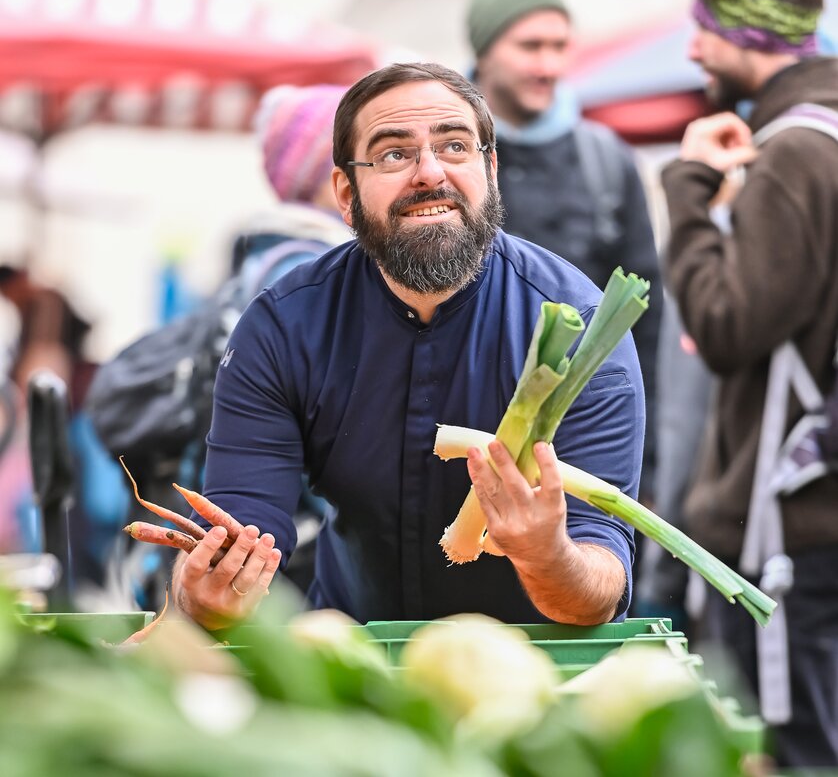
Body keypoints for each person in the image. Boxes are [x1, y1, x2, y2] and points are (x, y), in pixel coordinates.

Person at [171, 61, 645, 634]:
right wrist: (206, 590)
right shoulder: (282, 327)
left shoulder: (582, 332)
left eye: (454, 146)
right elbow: (240, 526)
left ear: (490, 170)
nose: (429, 173)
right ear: (346, 193)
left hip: (536, 668)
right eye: (395, 153)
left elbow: (598, 588)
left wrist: (548, 557)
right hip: (353, 665)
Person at [661, 0, 838, 767]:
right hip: (814, 512)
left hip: (786, 535)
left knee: (794, 754)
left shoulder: (798, 153)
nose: (692, 47)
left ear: (750, 31)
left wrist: (690, 190)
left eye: (702, 25)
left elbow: (728, 326)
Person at [464, 0, 662, 512]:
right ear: (483, 50)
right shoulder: (443, 157)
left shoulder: (607, 161)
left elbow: (651, 322)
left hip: (583, 451)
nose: (548, 65)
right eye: (529, 45)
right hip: (464, 442)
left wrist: (649, 459)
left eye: (559, 46)